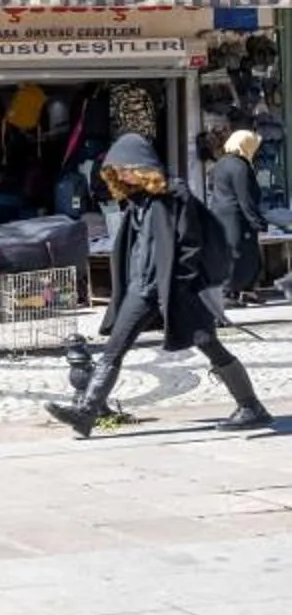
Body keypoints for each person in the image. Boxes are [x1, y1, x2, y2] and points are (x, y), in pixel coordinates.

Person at [47, 135, 272, 438]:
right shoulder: (138, 201)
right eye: (117, 172)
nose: (122, 176)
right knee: (115, 348)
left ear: (140, 166)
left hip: (176, 287)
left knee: (208, 342)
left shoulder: (174, 193)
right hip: (142, 288)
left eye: (125, 169)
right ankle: (87, 413)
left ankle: (251, 406)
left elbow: (191, 242)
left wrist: (181, 281)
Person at [209, 128, 275, 308]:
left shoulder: (221, 163)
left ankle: (245, 291)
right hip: (237, 218)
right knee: (239, 255)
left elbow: (211, 186)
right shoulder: (240, 166)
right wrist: (257, 222)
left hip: (222, 215)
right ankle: (229, 293)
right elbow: (245, 197)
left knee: (242, 254)